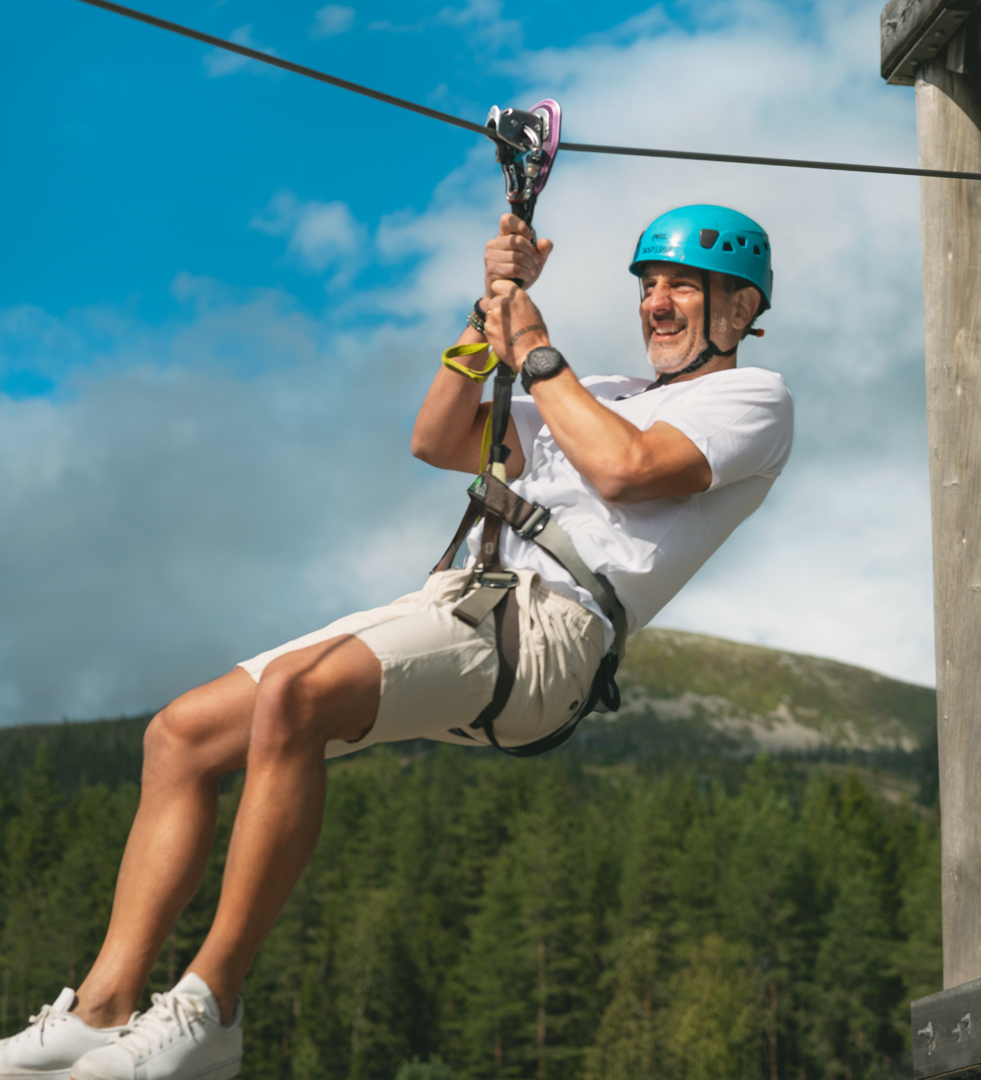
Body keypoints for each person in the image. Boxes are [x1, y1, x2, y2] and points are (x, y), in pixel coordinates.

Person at [0, 204, 793, 1080]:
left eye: (683, 286)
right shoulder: (596, 393)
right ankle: (102, 1007)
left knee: (297, 696)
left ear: (739, 306)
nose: (659, 303)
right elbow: (440, 436)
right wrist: (483, 315)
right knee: (180, 735)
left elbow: (627, 471)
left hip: (548, 634)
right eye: (650, 287)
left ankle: (209, 1009)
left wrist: (532, 342)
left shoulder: (751, 399)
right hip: (466, 600)